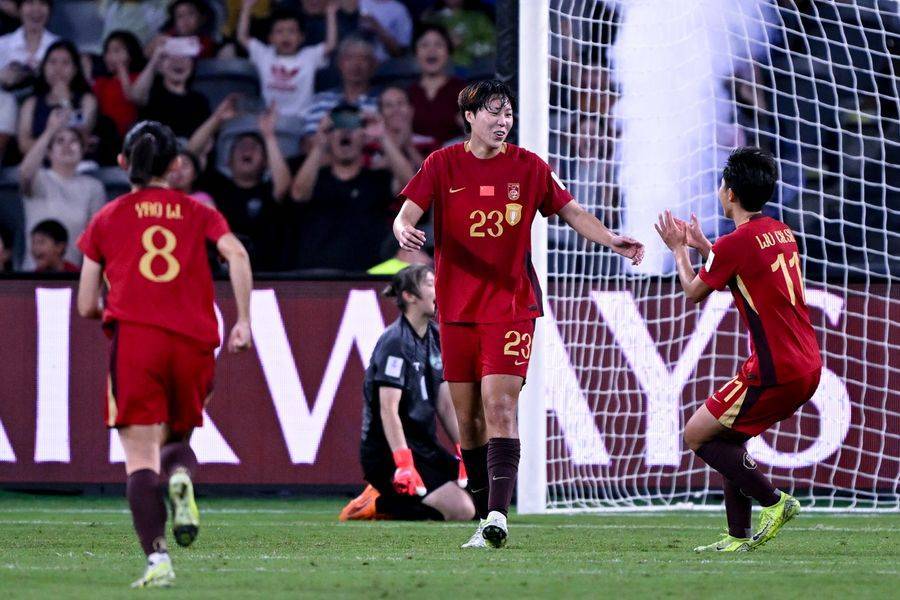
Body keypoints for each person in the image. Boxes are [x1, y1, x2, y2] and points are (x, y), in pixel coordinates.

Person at [393, 80, 645, 548]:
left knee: (500, 407)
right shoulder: (442, 164)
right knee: (468, 422)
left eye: (507, 113)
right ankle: (484, 516)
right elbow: (406, 214)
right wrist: (403, 228)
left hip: (510, 306)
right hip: (456, 309)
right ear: (470, 117)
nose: (503, 121)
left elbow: (572, 212)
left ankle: (497, 516)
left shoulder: (529, 167)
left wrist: (612, 239)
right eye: (493, 113)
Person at [76, 120, 253, 588]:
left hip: (137, 339)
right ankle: (180, 477)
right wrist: (243, 320)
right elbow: (236, 255)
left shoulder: (106, 217)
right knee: (177, 438)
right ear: (176, 164)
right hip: (193, 342)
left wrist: (118, 298)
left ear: (122, 163)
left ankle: (158, 561)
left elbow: (86, 304)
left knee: (139, 458)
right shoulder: (199, 212)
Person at [653, 146, 822, 552]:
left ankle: (774, 501)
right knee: (727, 437)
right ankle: (737, 536)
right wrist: (705, 247)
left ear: (729, 193)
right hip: (806, 361)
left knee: (697, 435)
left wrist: (678, 249)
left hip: (774, 368)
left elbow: (694, 291)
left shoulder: (735, 243)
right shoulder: (781, 231)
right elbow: (745, 267)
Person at [340, 265, 474, 521]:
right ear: (409, 296)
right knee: (462, 511)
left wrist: (466, 451)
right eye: (430, 284)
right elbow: (388, 409)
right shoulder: (395, 342)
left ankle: (393, 499)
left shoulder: (437, 337)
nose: (439, 289)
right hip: (388, 453)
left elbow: (445, 405)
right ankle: (379, 502)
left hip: (425, 447)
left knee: (483, 495)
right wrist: (403, 463)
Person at [288, 103, 412, 271]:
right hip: (317, 274)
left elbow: (411, 185)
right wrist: (319, 145)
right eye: (338, 126)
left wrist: (382, 136)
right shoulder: (314, 178)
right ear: (329, 136)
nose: (345, 132)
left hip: (366, 275)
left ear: (363, 137)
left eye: (352, 126)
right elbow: (298, 194)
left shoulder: (377, 179)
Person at [188, 96, 291, 270]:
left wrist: (269, 136)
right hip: (222, 272)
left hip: (266, 274)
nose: (247, 149)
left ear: (265, 162)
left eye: (254, 147)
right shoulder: (216, 186)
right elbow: (190, 155)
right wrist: (217, 119)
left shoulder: (268, 190)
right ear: (228, 161)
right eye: (240, 146)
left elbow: (284, 187)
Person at [19, 107, 105, 270]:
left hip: (71, 274)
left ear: (82, 150)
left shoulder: (94, 187)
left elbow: (97, 239)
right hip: (32, 275)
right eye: (60, 141)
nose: (67, 146)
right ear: (48, 152)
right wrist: (51, 130)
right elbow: (24, 172)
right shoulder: (39, 178)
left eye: (73, 141)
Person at [237, 0, 337, 119]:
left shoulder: (309, 56)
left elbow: (331, 44)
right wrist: (246, 8)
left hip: (301, 120)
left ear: (301, 37)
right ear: (270, 38)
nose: (286, 36)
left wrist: (330, 14)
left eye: (291, 31)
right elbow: (242, 37)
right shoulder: (264, 54)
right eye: (279, 32)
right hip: (270, 119)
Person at [0, 0, 58, 162]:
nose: (36, 10)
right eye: (30, 3)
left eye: (42, 3)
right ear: (19, 9)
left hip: (44, 111)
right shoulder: (3, 45)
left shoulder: (58, 45)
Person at [17, 39, 97, 155]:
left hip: (76, 162)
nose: (58, 69)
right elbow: (24, 144)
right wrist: (55, 153)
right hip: (40, 162)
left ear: (75, 70)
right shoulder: (31, 102)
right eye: (53, 62)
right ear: (44, 67)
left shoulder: (87, 100)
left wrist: (65, 102)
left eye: (65, 63)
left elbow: (83, 138)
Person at [301, 35, 379, 139]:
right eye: (349, 58)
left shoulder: (382, 103)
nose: (356, 64)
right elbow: (309, 142)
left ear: (373, 65)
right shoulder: (320, 100)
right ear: (340, 64)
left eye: (363, 59)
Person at [130, 41, 210, 140]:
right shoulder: (152, 95)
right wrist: (155, 58)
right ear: (160, 66)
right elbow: (136, 96)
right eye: (171, 57)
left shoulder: (199, 101)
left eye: (185, 57)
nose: (178, 62)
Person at [407, 24, 465, 145]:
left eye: (438, 45)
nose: (431, 50)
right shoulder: (408, 93)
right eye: (424, 45)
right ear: (416, 53)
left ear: (448, 53)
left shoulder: (462, 91)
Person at [422, 0, 495, 68]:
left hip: (476, 67)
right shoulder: (431, 19)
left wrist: (464, 44)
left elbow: (493, 44)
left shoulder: (477, 17)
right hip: (443, 68)